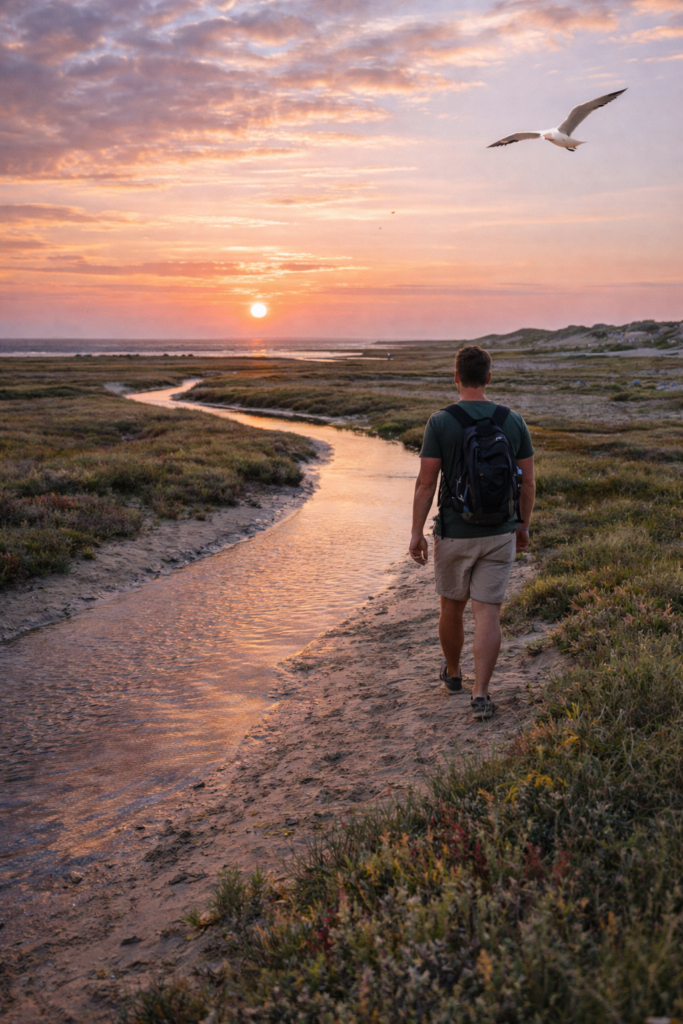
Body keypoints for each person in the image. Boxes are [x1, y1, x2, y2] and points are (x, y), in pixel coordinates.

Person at [409, 345, 535, 720]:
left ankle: (452, 674)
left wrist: (417, 532)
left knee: (451, 606)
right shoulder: (512, 420)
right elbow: (527, 482)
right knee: (488, 613)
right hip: (500, 533)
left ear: (456, 378)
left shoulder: (441, 422)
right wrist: (522, 525)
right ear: (489, 378)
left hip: (454, 531)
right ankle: (481, 694)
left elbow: (425, 482)